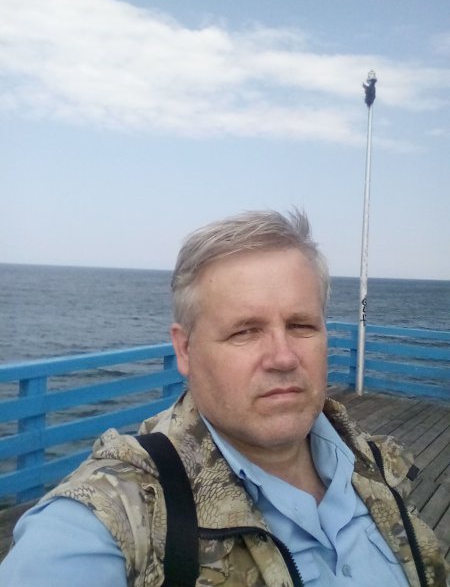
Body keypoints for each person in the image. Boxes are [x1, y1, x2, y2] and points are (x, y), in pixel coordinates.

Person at [0, 209, 447, 587]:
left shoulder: (373, 462)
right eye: (245, 331)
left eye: (302, 326)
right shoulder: (123, 513)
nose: (283, 357)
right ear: (185, 350)